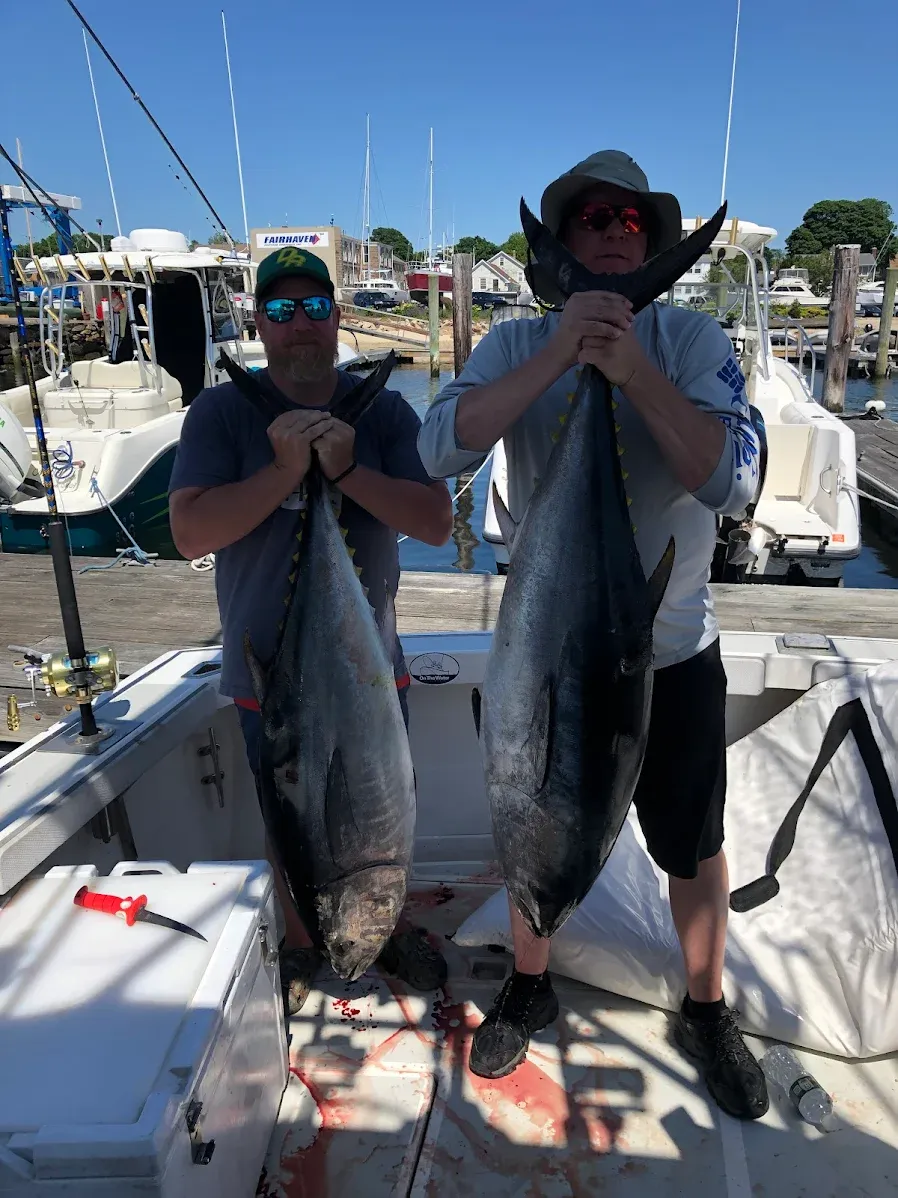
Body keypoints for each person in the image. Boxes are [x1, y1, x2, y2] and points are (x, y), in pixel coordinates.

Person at [417, 150, 768, 1120]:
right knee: (524, 803)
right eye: (593, 218)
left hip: (672, 655)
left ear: (650, 242)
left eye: (629, 221)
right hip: (538, 655)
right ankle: (528, 983)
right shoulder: (515, 339)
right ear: (564, 240)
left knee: (691, 844)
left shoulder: (692, 340)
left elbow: (732, 482)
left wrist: (631, 368)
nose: (613, 231)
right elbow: (438, 445)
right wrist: (557, 354)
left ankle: (704, 1006)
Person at [169, 245, 454, 1012]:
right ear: (260, 323)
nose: (301, 327)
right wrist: (285, 474)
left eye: (316, 309)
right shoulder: (222, 413)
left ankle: (383, 924)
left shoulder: (384, 411)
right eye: (283, 311)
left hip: (368, 670)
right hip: (271, 675)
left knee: (388, 799)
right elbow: (190, 533)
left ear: (336, 319)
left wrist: (349, 473)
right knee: (289, 815)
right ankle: (304, 942)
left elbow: (435, 523)